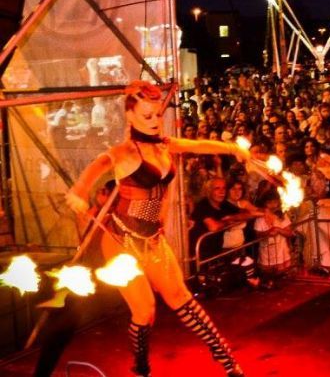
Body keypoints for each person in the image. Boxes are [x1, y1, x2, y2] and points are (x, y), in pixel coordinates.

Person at [65, 82, 252, 376]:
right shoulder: (125, 152)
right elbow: (98, 165)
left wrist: (233, 149)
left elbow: (198, 145)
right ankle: (141, 368)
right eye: (147, 116)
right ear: (130, 116)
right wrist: (79, 190)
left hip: (152, 240)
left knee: (183, 300)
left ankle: (229, 363)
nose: (154, 121)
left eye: (157, 115)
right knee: (145, 311)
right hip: (121, 241)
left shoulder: (165, 144)